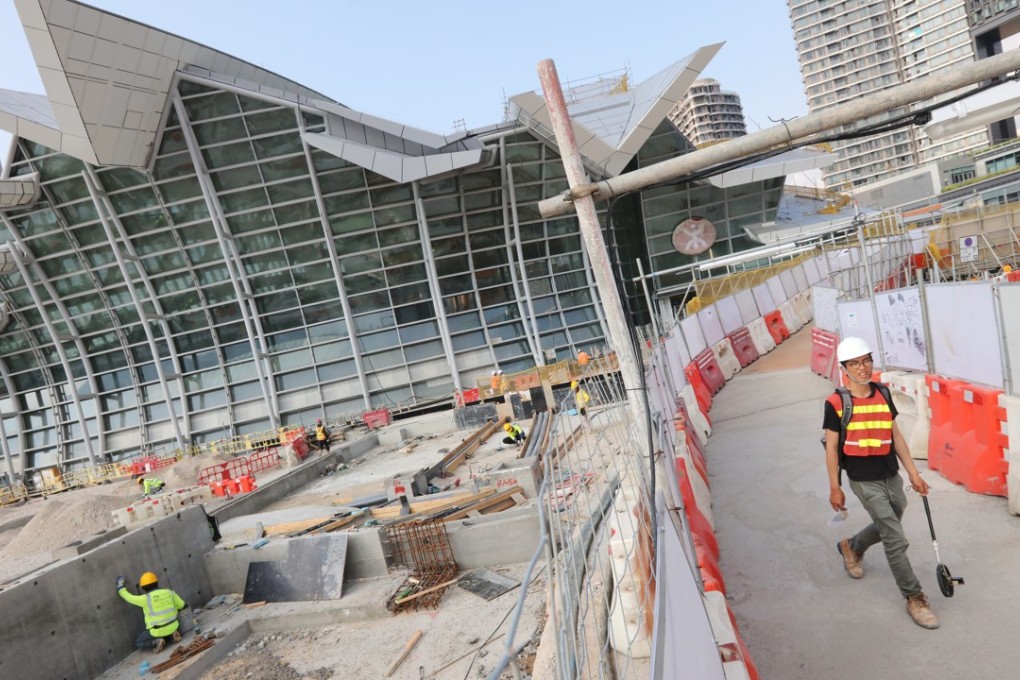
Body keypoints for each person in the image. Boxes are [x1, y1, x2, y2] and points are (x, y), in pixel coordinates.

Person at [823, 336, 938, 630]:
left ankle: (852, 545)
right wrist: (834, 487)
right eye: (855, 363)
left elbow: (895, 435)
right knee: (894, 538)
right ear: (844, 368)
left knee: (892, 520)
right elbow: (832, 448)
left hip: (890, 474)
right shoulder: (836, 402)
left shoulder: (883, 393)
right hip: (863, 479)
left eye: (866, 360)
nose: (863, 368)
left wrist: (913, 473)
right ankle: (914, 597)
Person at [116, 571, 187, 653]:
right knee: (166, 630)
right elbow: (182, 605)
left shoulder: (145, 598)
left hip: (157, 631)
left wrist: (120, 587)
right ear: (157, 583)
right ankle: (172, 636)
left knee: (139, 642)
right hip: (174, 626)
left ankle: (156, 642)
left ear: (143, 588)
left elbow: (129, 597)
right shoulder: (169, 592)